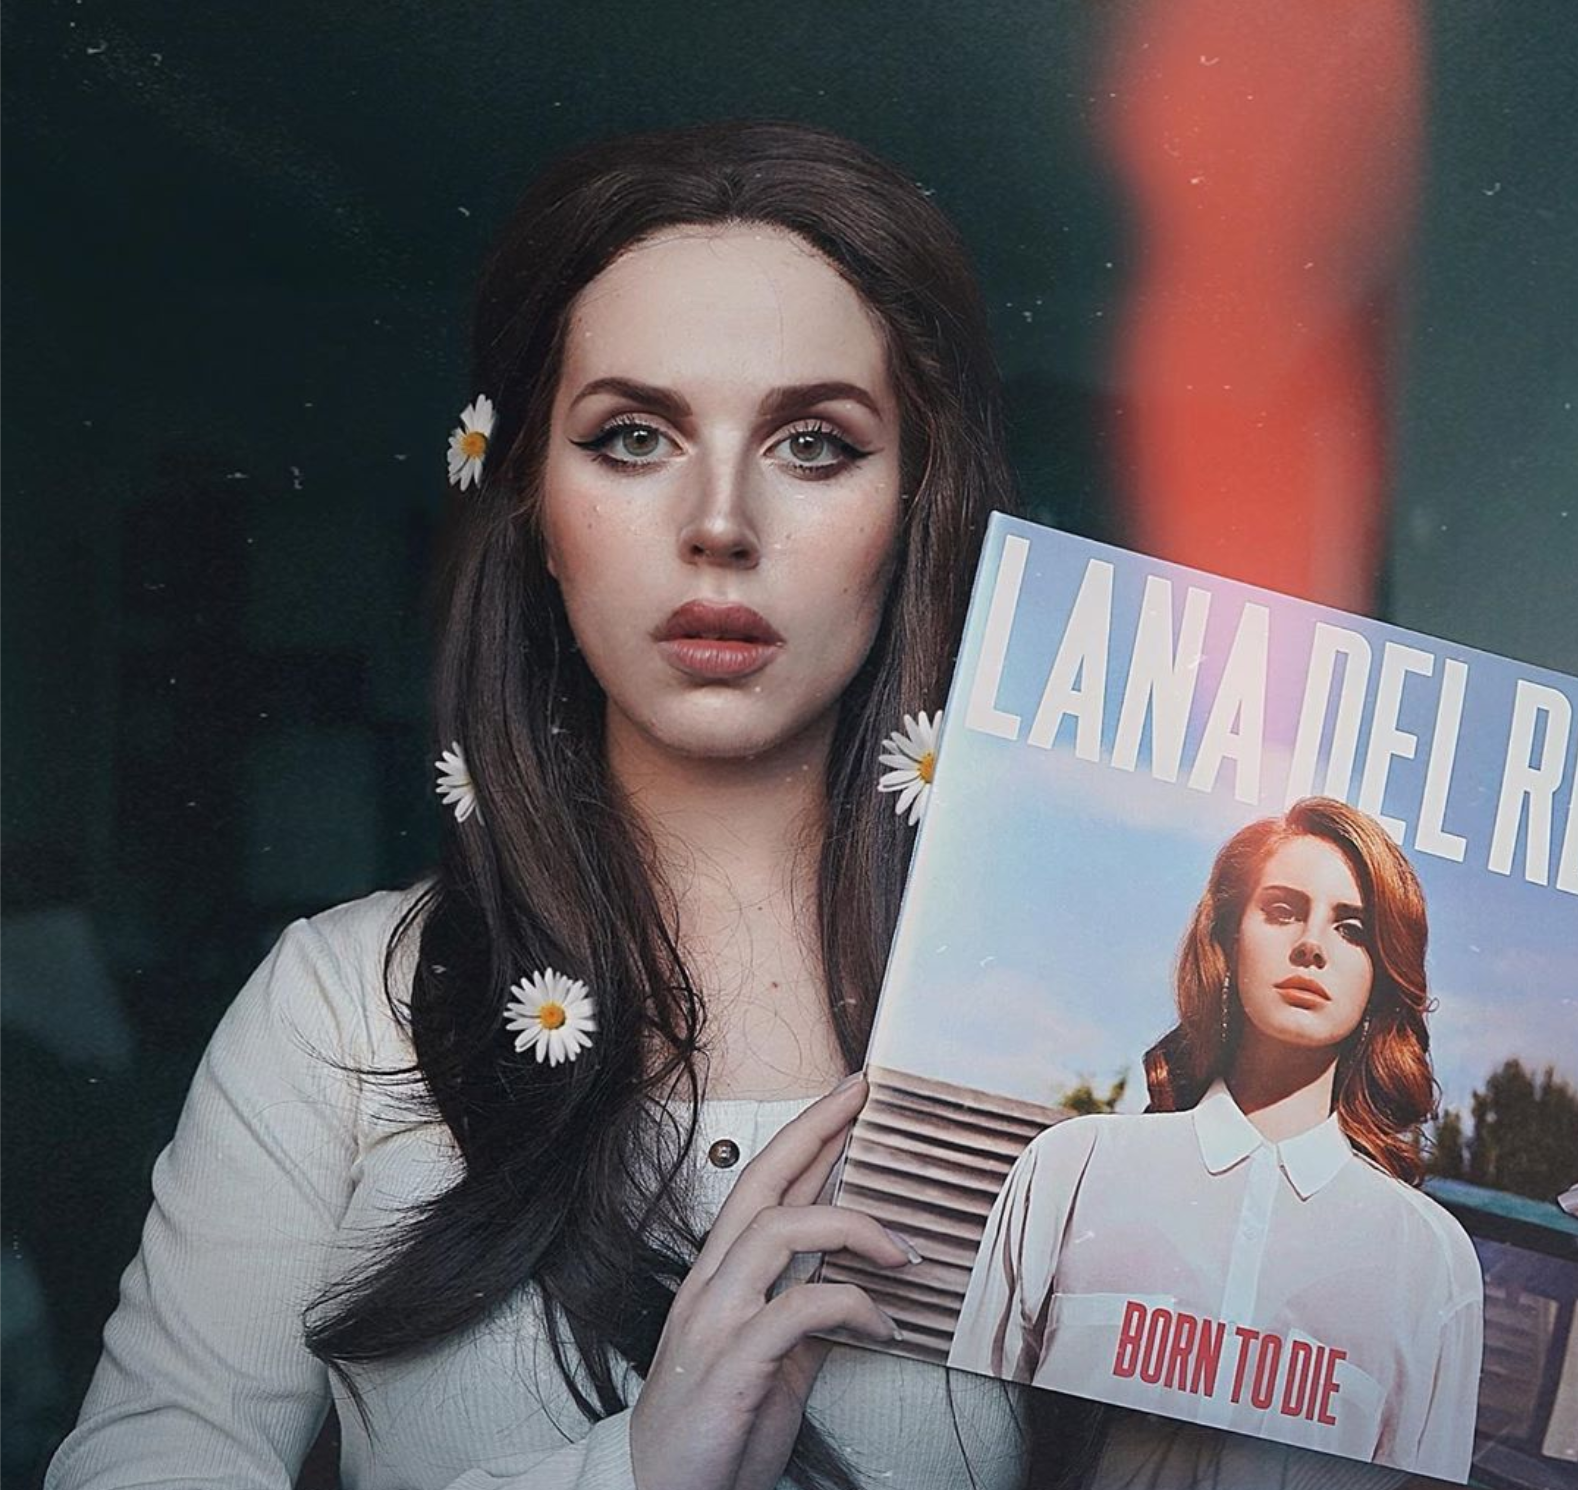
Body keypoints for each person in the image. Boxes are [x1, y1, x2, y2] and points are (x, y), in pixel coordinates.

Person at [46, 122, 1035, 1490]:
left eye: (814, 443)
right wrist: (630, 1473)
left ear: (914, 505)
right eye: (632, 435)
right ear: (533, 505)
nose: (719, 521)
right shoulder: (344, 1007)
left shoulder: (1061, 1038)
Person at [947, 798, 1484, 1482]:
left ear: (1382, 975)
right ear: (1228, 941)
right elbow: (958, 1446)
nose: (1312, 945)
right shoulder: (1073, 1169)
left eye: (1352, 928)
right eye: (1284, 910)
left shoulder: (1433, 1262)